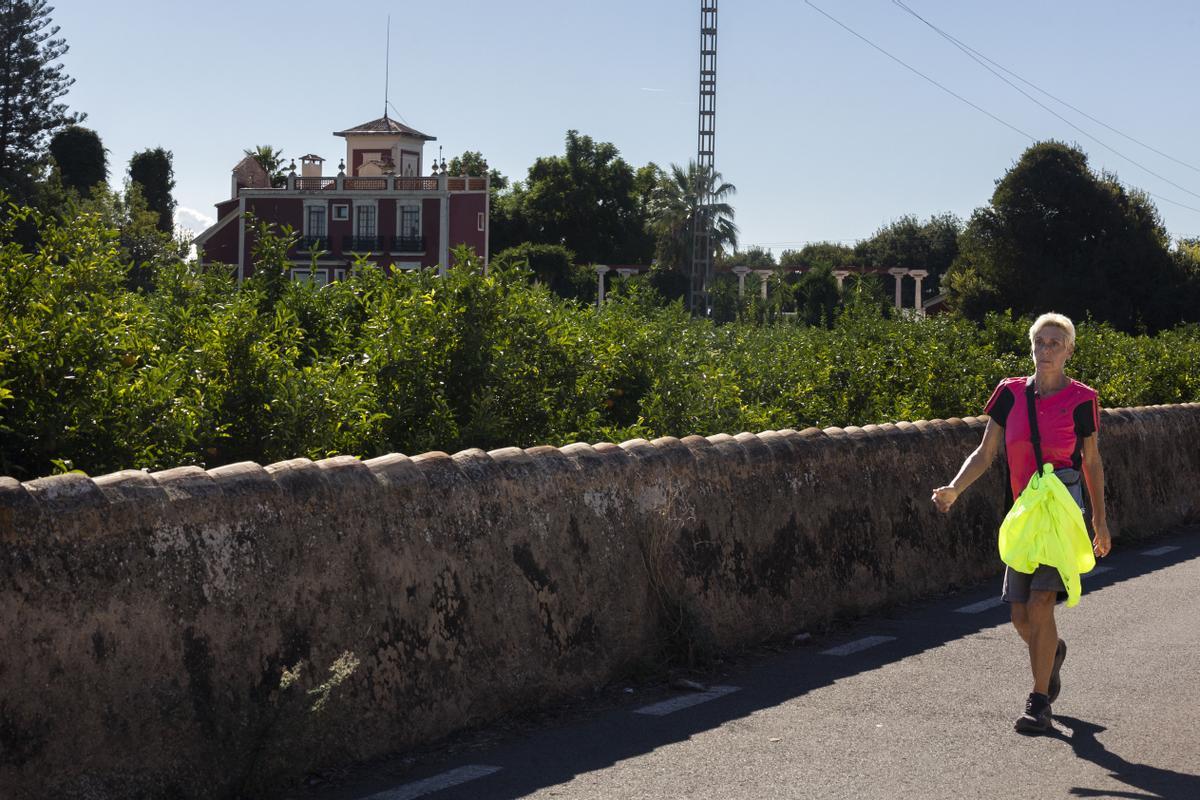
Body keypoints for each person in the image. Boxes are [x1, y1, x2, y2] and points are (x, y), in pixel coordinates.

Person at [931, 313, 1112, 734]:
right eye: (1040, 343)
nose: (1045, 350)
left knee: (1041, 603)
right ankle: (1053, 653)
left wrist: (1100, 522)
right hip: (1023, 516)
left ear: (1068, 350)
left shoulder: (1082, 400)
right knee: (1019, 616)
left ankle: (1038, 701)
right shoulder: (1009, 394)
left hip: (1062, 516)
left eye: (1054, 343)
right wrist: (955, 489)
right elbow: (985, 452)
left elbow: (1092, 461)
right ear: (1031, 347)